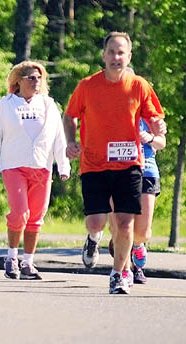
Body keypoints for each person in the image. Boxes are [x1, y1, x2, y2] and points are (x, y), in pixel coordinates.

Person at [63, 32, 166, 294]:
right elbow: (70, 116)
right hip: (94, 164)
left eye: (121, 53)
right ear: (104, 55)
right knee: (96, 222)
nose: (116, 57)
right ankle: (93, 238)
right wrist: (71, 141)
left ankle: (119, 273)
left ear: (129, 56)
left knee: (124, 223)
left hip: (129, 164)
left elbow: (155, 117)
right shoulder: (87, 86)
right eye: (111, 52)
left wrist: (157, 128)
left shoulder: (140, 85)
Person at [0, 60, 70, 280]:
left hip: (41, 166)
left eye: (39, 78)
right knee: (19, 213)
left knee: (35, 216)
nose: (36, 81)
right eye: (31, 77)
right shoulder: (6, 104)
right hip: (13, 166)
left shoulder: (48, 105)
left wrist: (63, 165)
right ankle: (11, 257)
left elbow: (58, 137)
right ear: (19, 81)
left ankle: (28, 262)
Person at [107, 117, 166, 284]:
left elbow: (162, 142)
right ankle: (125, 272)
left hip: (146, 170)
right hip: (117, 169)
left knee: (142, 232)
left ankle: (138, 244)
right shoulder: (111, 107)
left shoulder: (148, 112)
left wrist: (151, 138)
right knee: (121, 227)